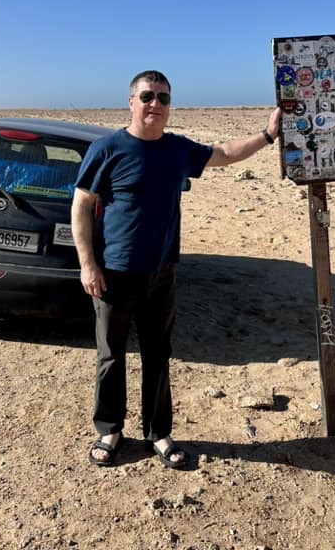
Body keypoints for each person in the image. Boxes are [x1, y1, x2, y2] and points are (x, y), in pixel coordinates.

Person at [71, 70, 282, 469]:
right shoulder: (107, 149)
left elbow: (224, 153)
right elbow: (81, 206)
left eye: (163, 98)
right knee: (111, 355)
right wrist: (88, 265)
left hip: (161, 273)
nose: (155, 105)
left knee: (158, 354)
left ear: (170, 106)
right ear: (131, 102)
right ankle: (110, 430)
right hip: (114, 273)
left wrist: (267, 136)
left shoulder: (176, 149)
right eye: (147, 96)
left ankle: (158, 432)